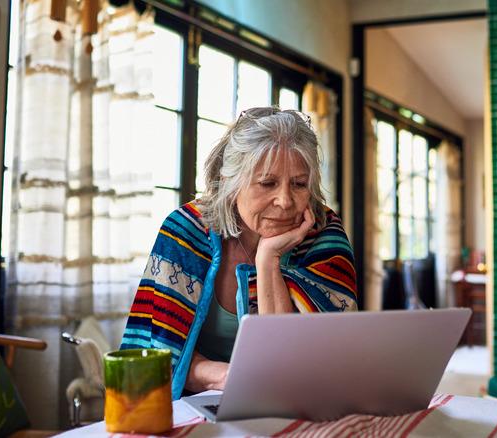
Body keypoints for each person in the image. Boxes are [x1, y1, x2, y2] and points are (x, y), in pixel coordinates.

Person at [120, 107, 357, 399]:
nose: (285, 201)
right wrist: (224, 376)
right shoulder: (184, 231)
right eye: (267, 183)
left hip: (299, 405)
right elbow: (157, 352)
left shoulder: (324, 236)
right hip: (192, 402)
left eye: (299, 184)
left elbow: (301, 365)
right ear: (231, 182)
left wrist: (268, 259)